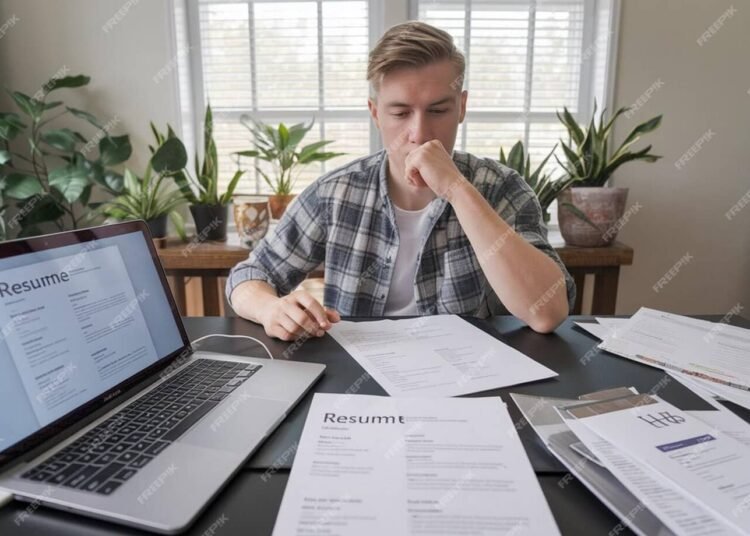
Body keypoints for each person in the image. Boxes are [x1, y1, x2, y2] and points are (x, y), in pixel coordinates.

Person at [226, 21, 575, 341]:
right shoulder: (335, 193)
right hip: (359, 384)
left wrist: (457, 190)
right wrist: (271, 309)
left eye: (438, 110)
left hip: (470, 382)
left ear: (462, 107)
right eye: (400, 112)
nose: (419, 133)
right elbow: (250, 275)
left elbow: (547, 313)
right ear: (375, 113)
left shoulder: (502, 188)